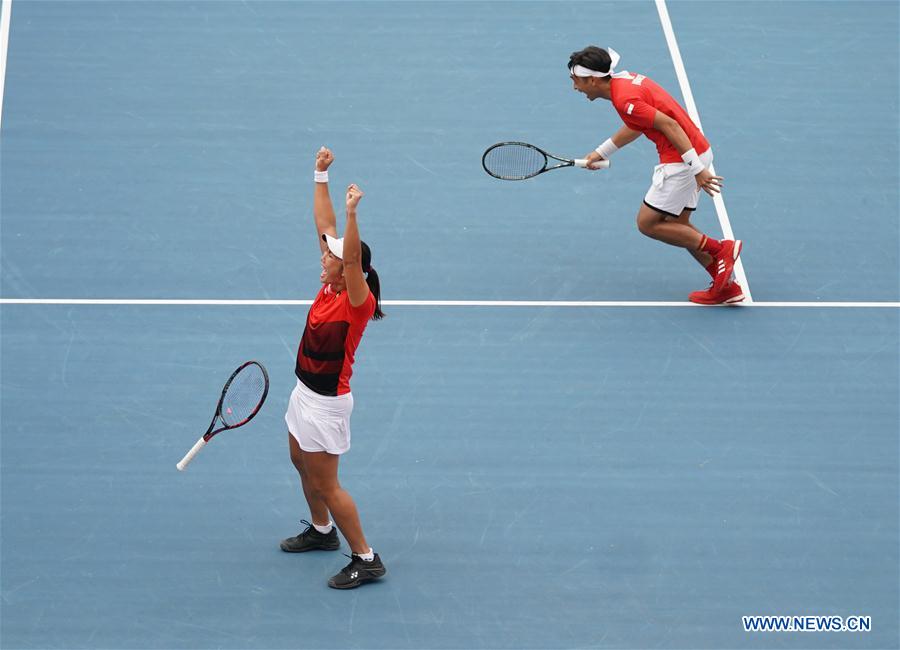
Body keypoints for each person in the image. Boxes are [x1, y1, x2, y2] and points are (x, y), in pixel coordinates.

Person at [280, 146, 386, 589]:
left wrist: (352, 213)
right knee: (298, 460)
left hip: (327, 404)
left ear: (348, 270)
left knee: (328, 484)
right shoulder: (329, 285)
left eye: (332, 256)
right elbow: (324, 227)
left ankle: (366, 557)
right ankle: (323, 532)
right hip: (303, 393)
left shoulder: (355, 303)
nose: (323, 255)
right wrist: (320, 175)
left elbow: (349, 254)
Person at [568, 45, 744, 305]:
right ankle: (725, 287)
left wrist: (696, 170)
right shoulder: (623, 83)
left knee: (648, 223)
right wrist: (602, 151)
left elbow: (669, 125)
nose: (575, 88)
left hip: (682, 160)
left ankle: (721, 250)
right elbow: (638, 123)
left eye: (577, 81)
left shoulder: (623, 99)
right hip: (695, 150)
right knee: (678, 227)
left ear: (592, 79)